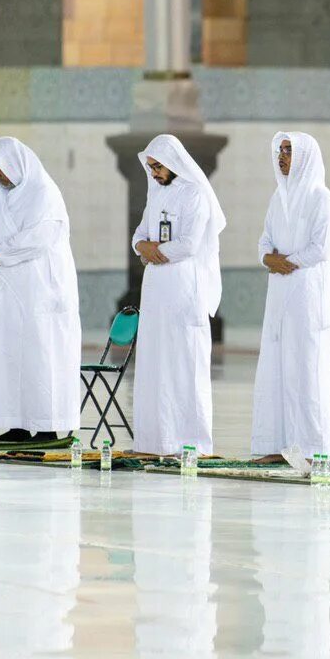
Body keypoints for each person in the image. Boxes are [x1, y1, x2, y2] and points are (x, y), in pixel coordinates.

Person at [0, 137, 81, 444]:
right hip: (6, 293)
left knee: (40, 357)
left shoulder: (44, 194)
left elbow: (37, 240)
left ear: (16, 165)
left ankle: (47, 427)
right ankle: (16, 424)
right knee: (8, 357)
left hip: (41, 294)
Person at [251, 132, 330, 463]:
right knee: (275, 369)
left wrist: (285, 261)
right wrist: (269, 258)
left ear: (306, 156)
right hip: (279, 294)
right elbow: (264, 240)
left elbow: (322, 247)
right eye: (280, 149)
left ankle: (313, 448)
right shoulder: (277, 198)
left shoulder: (322, 199)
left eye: (289, 150)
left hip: (307, 296)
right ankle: (278, 447)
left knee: (306, 370)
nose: (282, 155)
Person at [131, 134, 226, 457]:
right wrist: (145, 248)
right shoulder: (156, 194)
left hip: (185, 289)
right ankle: (156, 441)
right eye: (151, 167)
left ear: (173, 163)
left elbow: (189, 244)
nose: (154, 173)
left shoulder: (195, 194)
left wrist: (153, 251)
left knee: (184, 365)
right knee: (155, 363)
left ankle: (191, 442)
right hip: (156, 289)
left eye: (158, 166)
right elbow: (138, 236)